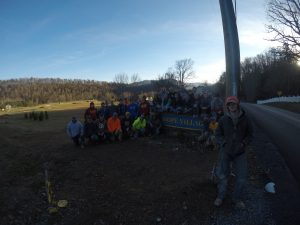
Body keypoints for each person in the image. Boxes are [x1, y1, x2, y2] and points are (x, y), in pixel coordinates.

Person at [214, 96, 253, 209]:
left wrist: (244, 143)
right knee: (222, 175)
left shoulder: (245, 119)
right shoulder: (223, 119)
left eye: (234, 104)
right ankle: (220, 197)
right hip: (226, 151)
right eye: (229, 104)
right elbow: (218, 134)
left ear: (237, 105)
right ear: (227, 106)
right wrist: (223, 143)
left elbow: (250, 135)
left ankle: (236, 199)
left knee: (241, 178)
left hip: (239, 152)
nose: (232, 106)